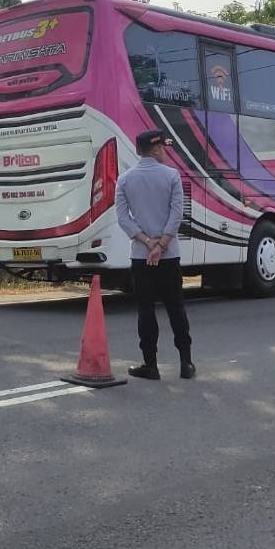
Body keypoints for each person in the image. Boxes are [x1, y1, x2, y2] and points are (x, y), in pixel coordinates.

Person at [115, 130, 195, 380]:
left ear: (139, 151)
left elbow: (122, 218)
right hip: (169, 256)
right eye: (164, 148)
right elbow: (177, 214)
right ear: (158, 149)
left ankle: (150, 365)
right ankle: (186, 363)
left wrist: (148, 242)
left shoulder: (125, 179)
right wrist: (162, 244)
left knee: (145, 310)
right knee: (176, 308)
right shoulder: (172, 176)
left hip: (141, 255)